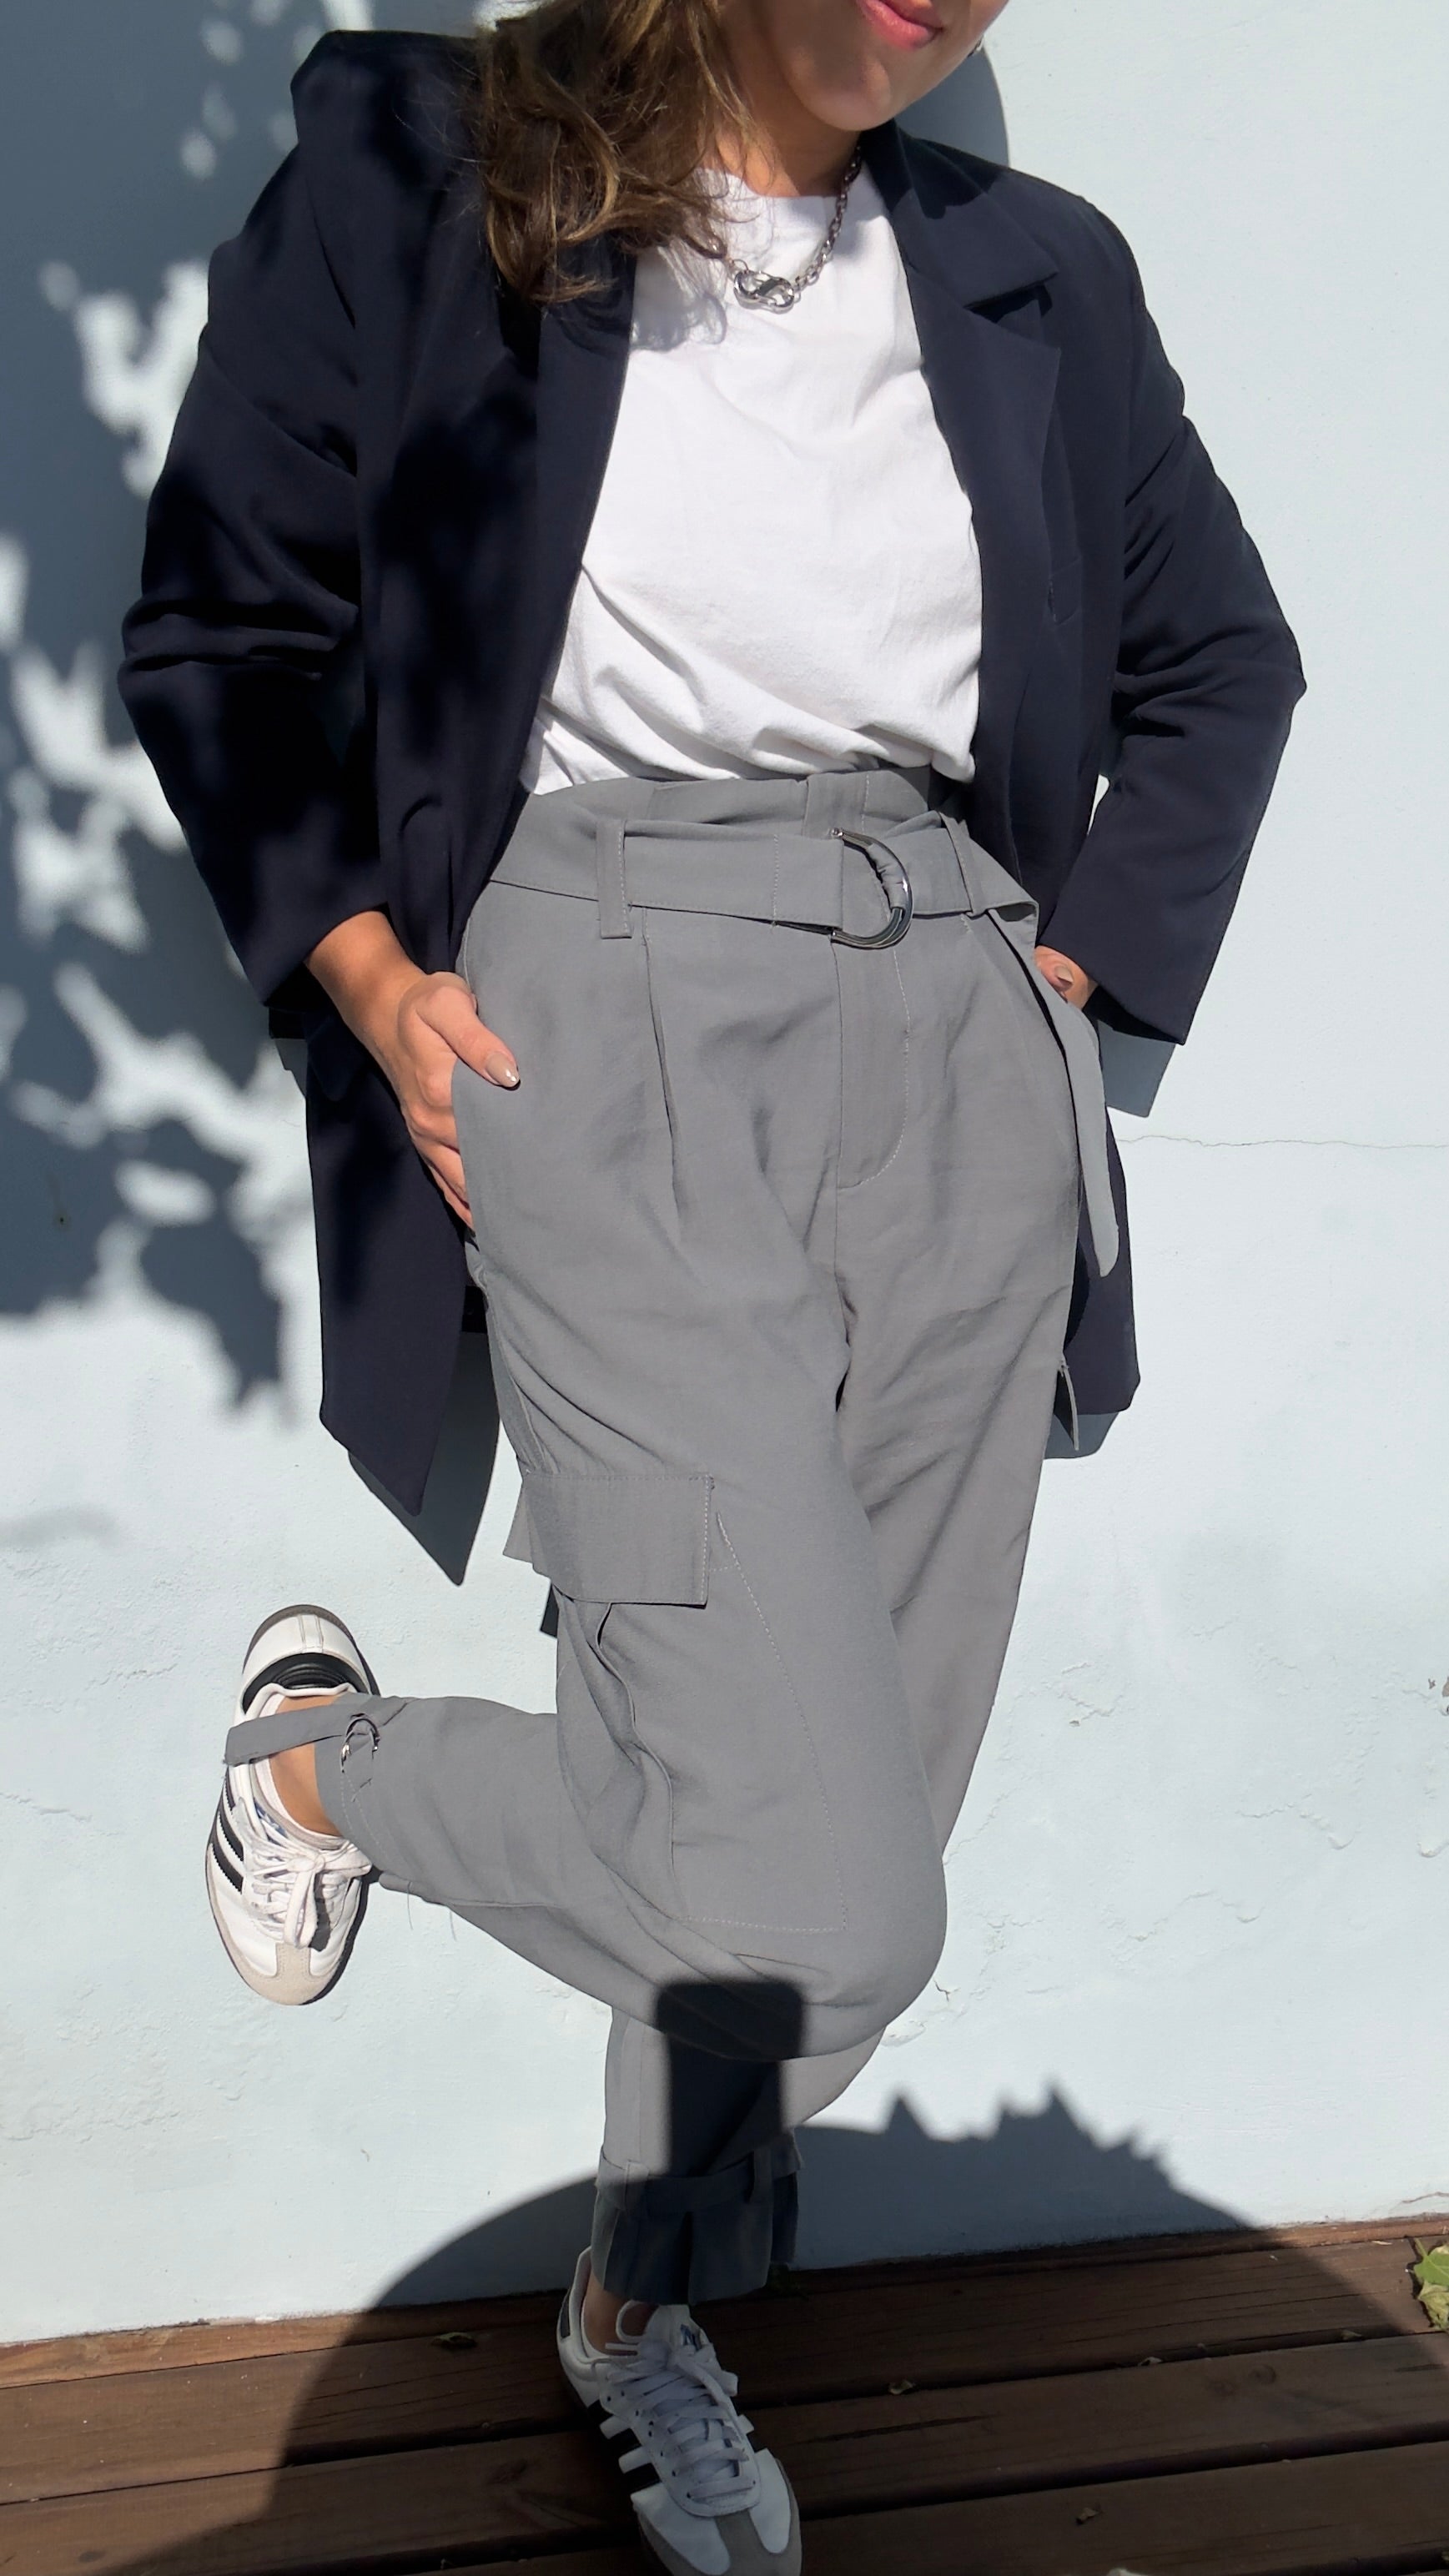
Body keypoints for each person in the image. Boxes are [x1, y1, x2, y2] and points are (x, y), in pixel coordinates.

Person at [119, 3, 1304, 2567]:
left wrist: (1075, 972)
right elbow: (221, 619)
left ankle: (635, 2310)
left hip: (959, 1023)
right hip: (603, 985)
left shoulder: (1037, 274)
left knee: (839, 1897)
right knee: (812, 1902)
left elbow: (1222, 660)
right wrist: (368, 978)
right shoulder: (425, 165)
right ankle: (320, 1771)